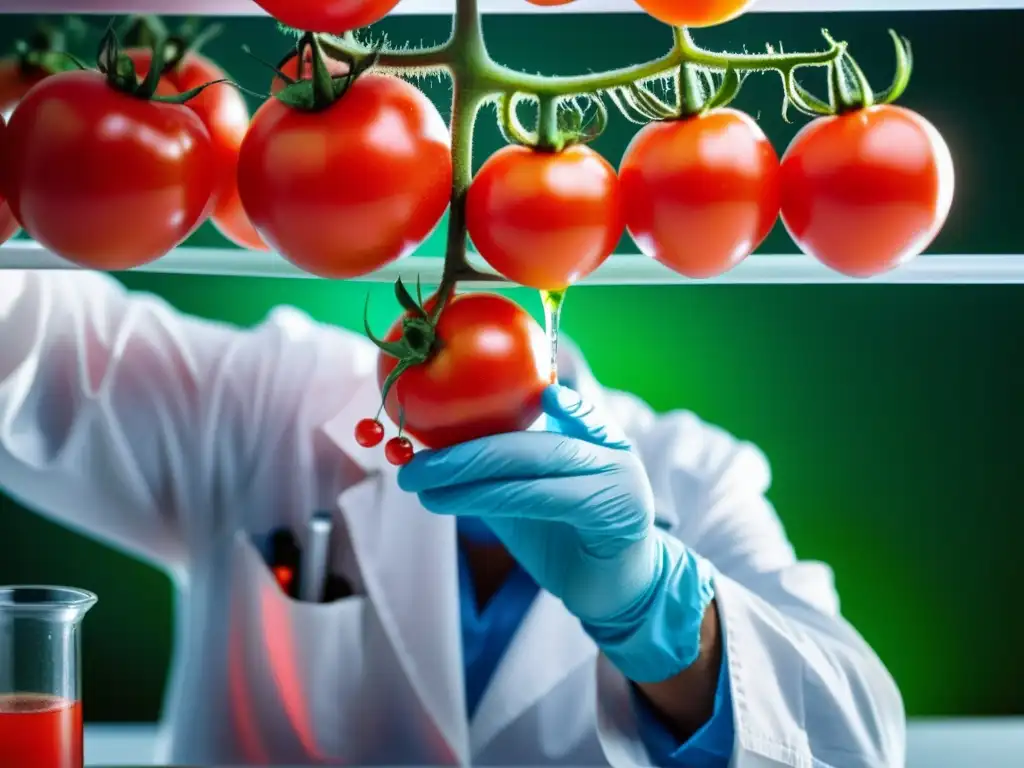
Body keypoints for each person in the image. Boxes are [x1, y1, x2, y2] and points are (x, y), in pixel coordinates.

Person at [0, 269, 905, 767]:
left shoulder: (695, 478)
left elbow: (854, 749)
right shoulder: (262, 400)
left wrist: (661, 613)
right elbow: (26, 348)